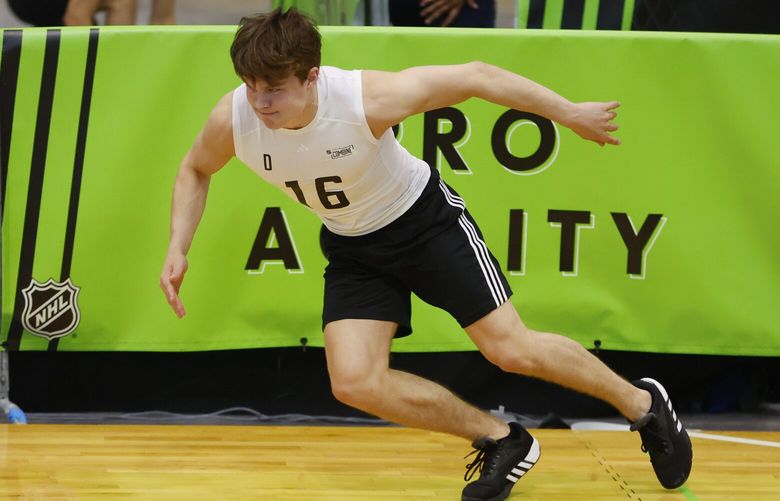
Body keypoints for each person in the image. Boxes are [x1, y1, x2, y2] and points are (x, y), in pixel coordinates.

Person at [159, 8, 692, 500]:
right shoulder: (235, 118)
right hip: (352, 244)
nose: (260, 101)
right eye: (250, 86)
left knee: (511, 349)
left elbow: (478, 75)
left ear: (312, 75)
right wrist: (178, 246)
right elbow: (195, 168)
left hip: (424, 224)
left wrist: (569, 113)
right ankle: (501, 440)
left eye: (273, 88)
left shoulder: (364, 100)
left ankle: (642, 406)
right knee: (354, 382)